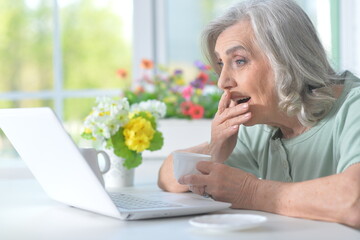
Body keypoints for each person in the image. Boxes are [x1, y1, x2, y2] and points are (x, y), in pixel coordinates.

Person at [157, 0, 360, 228]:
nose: (223, 81)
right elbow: (167, 178)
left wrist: (250, 192)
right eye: (221, 64)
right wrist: (213, 149)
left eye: (239, 61)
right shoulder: (264, 125)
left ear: (287, 59)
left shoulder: (354, 107)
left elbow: (355, 202)